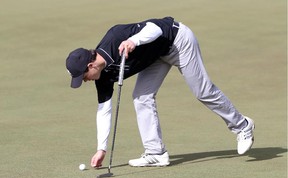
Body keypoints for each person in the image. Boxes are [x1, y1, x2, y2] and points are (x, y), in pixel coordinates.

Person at [66, 16, 255, 168]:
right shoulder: (103, 77)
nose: (85, 81)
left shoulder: (115, 36)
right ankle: (155, 153)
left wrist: (133, 40)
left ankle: (243, 126)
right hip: (156, 57)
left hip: (177, 40)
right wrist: (101, 149)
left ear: (90, 66)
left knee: (202, 91)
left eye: (83, 77)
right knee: (141, 98)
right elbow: (104, 111)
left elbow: (155, 28)